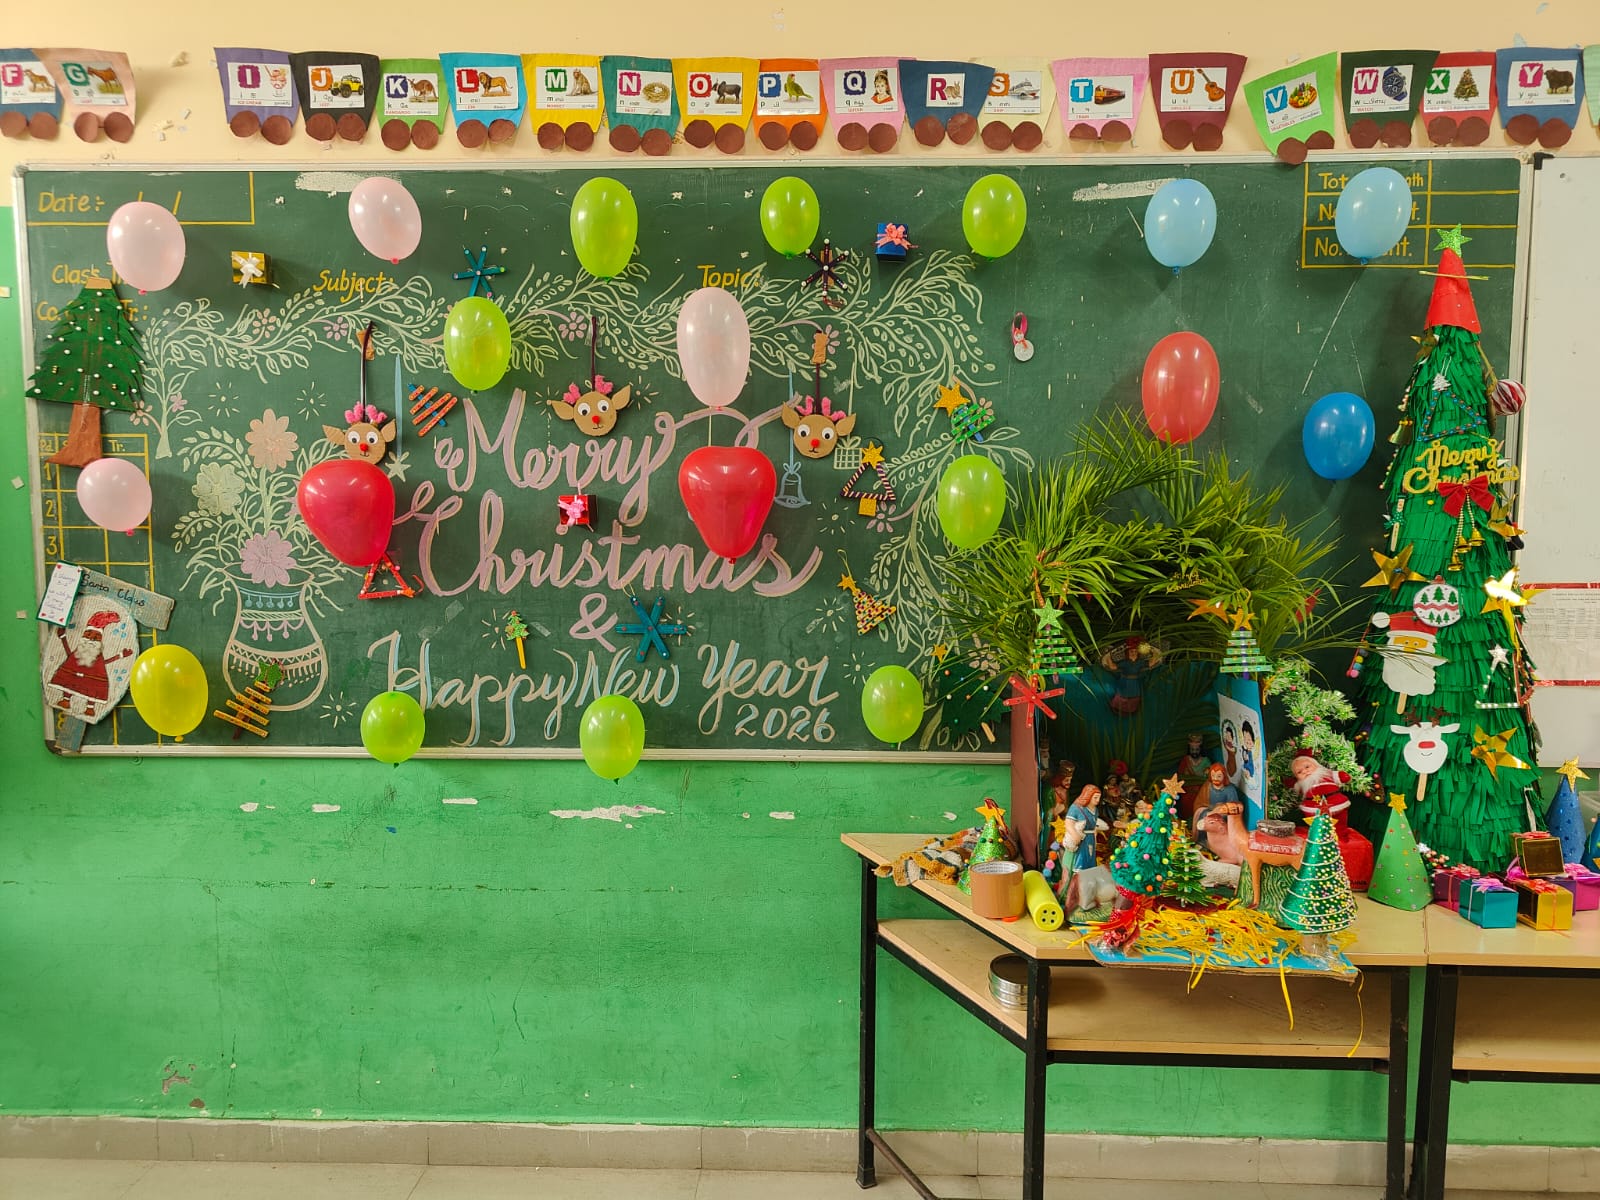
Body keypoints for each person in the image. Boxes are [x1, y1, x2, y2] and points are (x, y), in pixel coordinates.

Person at [45, 609, 133, 721]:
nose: (91, 639)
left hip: (93, 676)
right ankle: (66, 700)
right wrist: (63, 637)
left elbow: (105, 662)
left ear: (100, 639)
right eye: (88, 635)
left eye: (95, 637)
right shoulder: (78, 652)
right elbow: (69, 654)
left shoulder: (97, 655)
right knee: (69, 682)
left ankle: (90, 708)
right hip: (74, 671)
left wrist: (120, 655)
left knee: (93, 688)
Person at [1190, 762, 1241, 855]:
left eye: (1219, 776)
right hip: (1208, 810)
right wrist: (1211, 809)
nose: (1215, 778)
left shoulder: (1229, 789)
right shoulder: (1207, 786)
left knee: (1214, 820)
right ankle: (1202, 841)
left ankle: (1217, 844)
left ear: (1224, 776)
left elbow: (1233, 806)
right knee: (1204, 815)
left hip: (1223, 814)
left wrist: (1221, 808)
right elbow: (1200, 802)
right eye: (1213, 775)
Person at [1101, 637, 1162, 716]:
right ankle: (1117, 708)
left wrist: (1155, 652)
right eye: (1131, 651)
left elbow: (1151, 663)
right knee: (1122, 695)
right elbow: (1112, 667)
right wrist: (1108, 656)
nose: (1133, 653)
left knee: (1134, 696)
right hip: (1124, 682)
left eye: (1135, 651)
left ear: (1138, 653)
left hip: (1135, 683)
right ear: (1128, 652)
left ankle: (1131, 710)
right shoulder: (1124, 663)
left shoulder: (1140, 662)